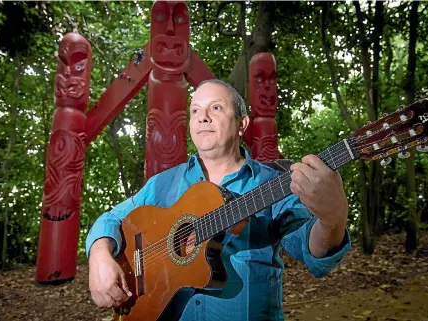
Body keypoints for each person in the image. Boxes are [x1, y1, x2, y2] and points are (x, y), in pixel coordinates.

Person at [86, 79, 351, 321]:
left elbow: (312, 251)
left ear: (242, 124)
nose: (203, 117)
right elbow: (112, 218)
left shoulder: (274, 184)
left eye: (215, 108)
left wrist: (332, 219)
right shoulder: (163, 183)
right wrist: (99, 254)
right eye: (195, 110)